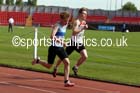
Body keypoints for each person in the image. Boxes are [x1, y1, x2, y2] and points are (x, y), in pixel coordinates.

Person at [32, 11, 75, 87]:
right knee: (49, 66)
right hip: (54, 47)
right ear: (61, 19)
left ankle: (66, 81)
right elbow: (52, 36)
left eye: (68, 20)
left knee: (67, 62)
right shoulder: (57, 25)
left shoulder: (65, 25)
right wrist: (61, 42)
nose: (67, 22)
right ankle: (38, 61)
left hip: (60, 48)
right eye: (65, 20)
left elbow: (72, 26)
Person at [53, 7, 88, 77]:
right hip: (72, 43)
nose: (85, 15)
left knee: (85, 56)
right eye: (84, 14)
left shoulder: (84, 22)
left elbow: (80, 33)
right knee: (63, 57)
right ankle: (56, 67)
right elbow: (74, 32)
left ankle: (75, 67)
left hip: (79, 43)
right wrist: (82, 28)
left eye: (86, 14)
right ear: (80, 14)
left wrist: (83, 29)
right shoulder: (76, 22)